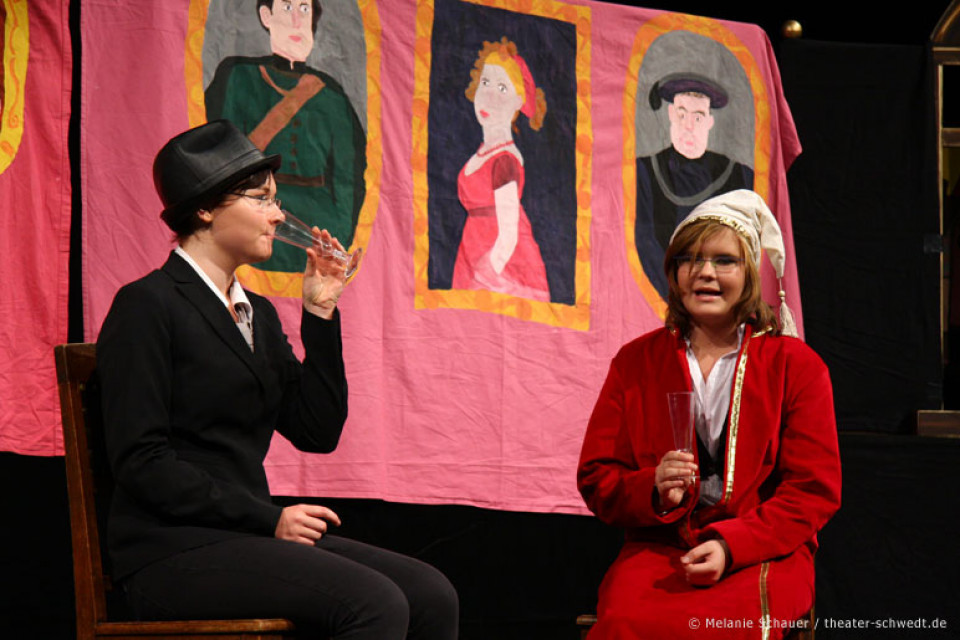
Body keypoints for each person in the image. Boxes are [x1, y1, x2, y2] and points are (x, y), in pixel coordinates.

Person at [96, 120, 458, 639]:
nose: (278, 214)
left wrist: (320, 310)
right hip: (173, 548)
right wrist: (267, 519)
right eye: (262, 199)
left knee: (430, 594)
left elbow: (318, 430)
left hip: (246, 534)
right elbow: (142, 463)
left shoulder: (255, 314)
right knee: (374, 603)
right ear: (204, 208)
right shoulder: (148, 305)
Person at [578, 190, 840, 639]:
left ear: (750, 274)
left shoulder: (795, 366)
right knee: (625, 624)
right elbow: (598, 478)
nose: (704, 273)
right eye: (689, 259)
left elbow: (812, 491)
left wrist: (731, 544)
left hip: (764, 551)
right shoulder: (636, 363)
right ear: (674, 272)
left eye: (724, 261)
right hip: (661, 551)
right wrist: (653, 488)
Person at [205, 0, 366, 271]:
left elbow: (347, 178)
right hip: (251, 222)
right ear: (266, 16)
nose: (297, 21)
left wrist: (338, 235)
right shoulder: (236, 78)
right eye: (287, 8)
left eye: (305, 10)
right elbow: (220, 161)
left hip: (318, 224)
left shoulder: (333, 96)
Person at [635, 73, 754, 298]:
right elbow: (643, 240)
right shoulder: (645, 170)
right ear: (671, 114)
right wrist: (679, 295)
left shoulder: (740, 175)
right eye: (682, 115)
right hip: (663, 294)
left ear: (710, 121)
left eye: (698, 117)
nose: (688, 126)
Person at [453, 36, 551, 301]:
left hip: (500, 262)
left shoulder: (505, 160)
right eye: (485, 83)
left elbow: (509, 232)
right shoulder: (483, 154)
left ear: (518, 101)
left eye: (502, 89)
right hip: (471, 250)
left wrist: (489, 269)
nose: (489, 96)